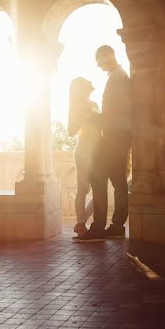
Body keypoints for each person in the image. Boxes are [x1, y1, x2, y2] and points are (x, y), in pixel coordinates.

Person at [75, 45, 132, 242]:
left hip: (115, 134)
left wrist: (92, 119)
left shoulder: (117, 78)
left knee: (96, 176)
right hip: (122, 134)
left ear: (108, 57)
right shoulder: (119, 75)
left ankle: (98, 227)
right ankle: (117, 226)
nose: (99, 67)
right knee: (118, 182)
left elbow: (114, 112)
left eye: (99, 62)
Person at [67, 77, 99, 240]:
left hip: (97, 150)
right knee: (83, 188)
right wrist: (81, 116)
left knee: (99, 189)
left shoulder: (94, 104)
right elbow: (71, 130)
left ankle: (81, 222)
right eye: (87, 84)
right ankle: (81, 223)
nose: (91, 85)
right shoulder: (76, 107)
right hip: (83, 149)